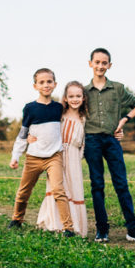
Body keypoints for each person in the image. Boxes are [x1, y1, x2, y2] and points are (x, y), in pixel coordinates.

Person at [83, 47, 135, 243]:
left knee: (121, 183)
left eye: (104, 63)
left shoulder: (118, 88)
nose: (100, 66)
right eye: (97, 62)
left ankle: (133, 228)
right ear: (90, 64)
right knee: (97, 185)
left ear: (109, 65)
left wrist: (123, 121)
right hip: (92, 140)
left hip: (112, 140)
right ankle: (102, 229)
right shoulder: (84, 91)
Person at [7, 68, 76, 237]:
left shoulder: (59, 108)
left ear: (55, 84)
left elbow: (72, 121)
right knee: (24, 190)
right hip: (34, 157)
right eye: (42, 82)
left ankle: (68, 228)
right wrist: (15, 156)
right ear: (35, 86)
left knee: (59, 190)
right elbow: (23, 134)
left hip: (54, 156)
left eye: (49, 82)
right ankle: (17, 219)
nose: (46, 85)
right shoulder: (30, 108)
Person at [33, 81, 90, 236]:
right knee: (57, 188)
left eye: (78, 96)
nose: (75, 99)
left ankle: (74, 226)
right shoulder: (60, 115)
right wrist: (33, 137)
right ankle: (54, 224)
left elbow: (84, 143)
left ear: (83, 98)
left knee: (74, 188)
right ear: (65, 98)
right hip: (56, 155)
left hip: (73, 158)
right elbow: (44, 127)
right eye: (71, 96)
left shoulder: (85, 119)